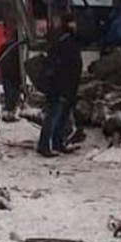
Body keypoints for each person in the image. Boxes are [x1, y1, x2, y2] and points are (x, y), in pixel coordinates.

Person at [37, 12, 83, 157]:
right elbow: (59, 67)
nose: (75, 25)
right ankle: (44, 146)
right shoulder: (62, 42)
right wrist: (60, 87)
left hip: (68, 86)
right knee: (53, 116)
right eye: (71, 22)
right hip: (60, 87)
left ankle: (58, 143)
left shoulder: (69, 40)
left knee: (62, 116)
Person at [0, 21, 22, 121]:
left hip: (12, 74)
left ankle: (10, 110)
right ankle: (9, 111)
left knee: (11, 92)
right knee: (11, 92)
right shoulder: (12, 46)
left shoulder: (14, 46)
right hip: (11, 74)